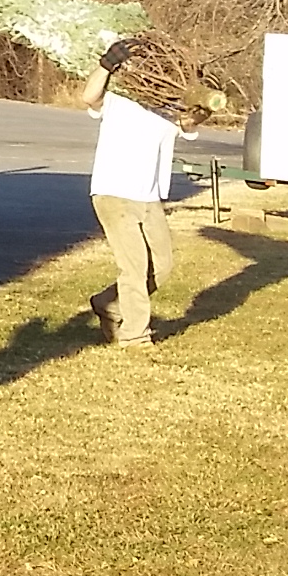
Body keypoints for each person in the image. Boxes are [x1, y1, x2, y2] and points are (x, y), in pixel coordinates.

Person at [81, 36, 191, 346]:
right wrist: (106, 65)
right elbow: (89, 96)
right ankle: (135, 336)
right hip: (113, 191)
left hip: (149, 196)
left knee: (163, 265)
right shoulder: (118, 100)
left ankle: (108, 303)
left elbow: (192, 123)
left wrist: (203, 97)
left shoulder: (170, 110)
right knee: (134, 266)